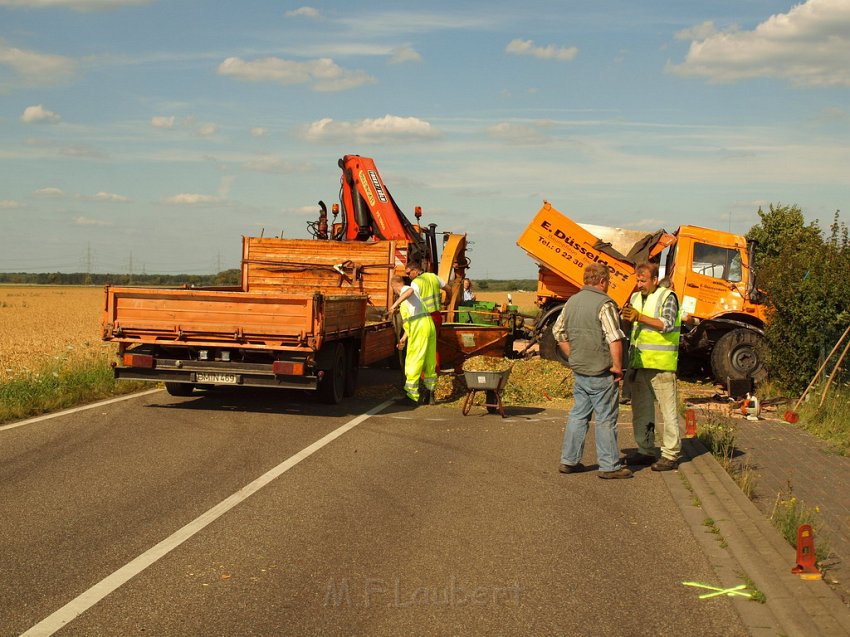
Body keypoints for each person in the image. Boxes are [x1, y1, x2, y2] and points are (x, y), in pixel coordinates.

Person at [553, 262, 632, 479]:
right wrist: (617, 367)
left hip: (580, 370)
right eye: (609, 281)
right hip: (601, 371)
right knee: (606, 418)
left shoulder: (571, 301)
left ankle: (568, 461)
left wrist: (574, 355)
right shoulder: (604, 304)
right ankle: (609, 466)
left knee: (578, 415)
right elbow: (614, 337)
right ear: (603, 281)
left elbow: (558, 332)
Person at [621, 262, 682, 471]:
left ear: (655, 280)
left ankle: (671, 454)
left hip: (662, 364)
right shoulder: (635, 297)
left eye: (643, 280)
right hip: (640, 363)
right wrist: (627, 320)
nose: (639, 284)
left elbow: (667, 324)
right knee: (641, 410)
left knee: (668, 412)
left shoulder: (668, 296)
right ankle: (645, 450)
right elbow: (632, 328)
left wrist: (639, 317)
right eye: (637, 280)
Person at [388, 275, 437, 405]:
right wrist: (403, 339)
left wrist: (394, 304)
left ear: (394, 286)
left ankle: (411, 396)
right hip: (428, 325)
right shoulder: (411, 302)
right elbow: (409, 325)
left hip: (420, 327)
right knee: (429, 360)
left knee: (413, 360)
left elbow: (410, 291)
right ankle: (430, 394)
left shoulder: (405, 289)